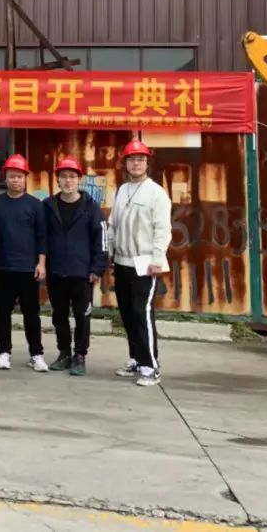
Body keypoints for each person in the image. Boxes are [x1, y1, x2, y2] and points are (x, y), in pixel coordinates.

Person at [108, 140, 172, 387]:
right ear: (125, 163)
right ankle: (136, 359)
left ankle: (151, 367)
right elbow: (113, 225)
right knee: (127, 312)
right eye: (132, 159)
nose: (136, 164)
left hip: (145, 262)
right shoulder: (122, 190)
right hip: (122, 261)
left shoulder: (156, 193)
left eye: (141, 160)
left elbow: (162, 229)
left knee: (141, 312)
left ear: (147, 164)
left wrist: (157, 259)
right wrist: (109, 253)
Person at [42, 156, 106, 376]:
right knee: (59, 316)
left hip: (82, 273)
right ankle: (64, 353)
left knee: (82, 316)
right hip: (56, 272)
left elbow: (101, 239)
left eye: (72, 176)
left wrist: (97, 268)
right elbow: (41, 237)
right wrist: (42, 264)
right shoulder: (48, 206)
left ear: (79, 179)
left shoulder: (91, 207)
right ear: (57, 180)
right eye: (63, 176)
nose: (68, 180)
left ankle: (80, 356)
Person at [0, 154, 47, 371]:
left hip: (28, 268)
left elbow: (42, 237)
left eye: (20, 176)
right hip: (4, 267)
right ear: (6, 178)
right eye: (12, 176)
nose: (16, 180)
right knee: (3, 313)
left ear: (25, 178)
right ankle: (4, 352)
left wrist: (41, 263)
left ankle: (36, 354)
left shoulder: (35, 205)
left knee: (32, 314)